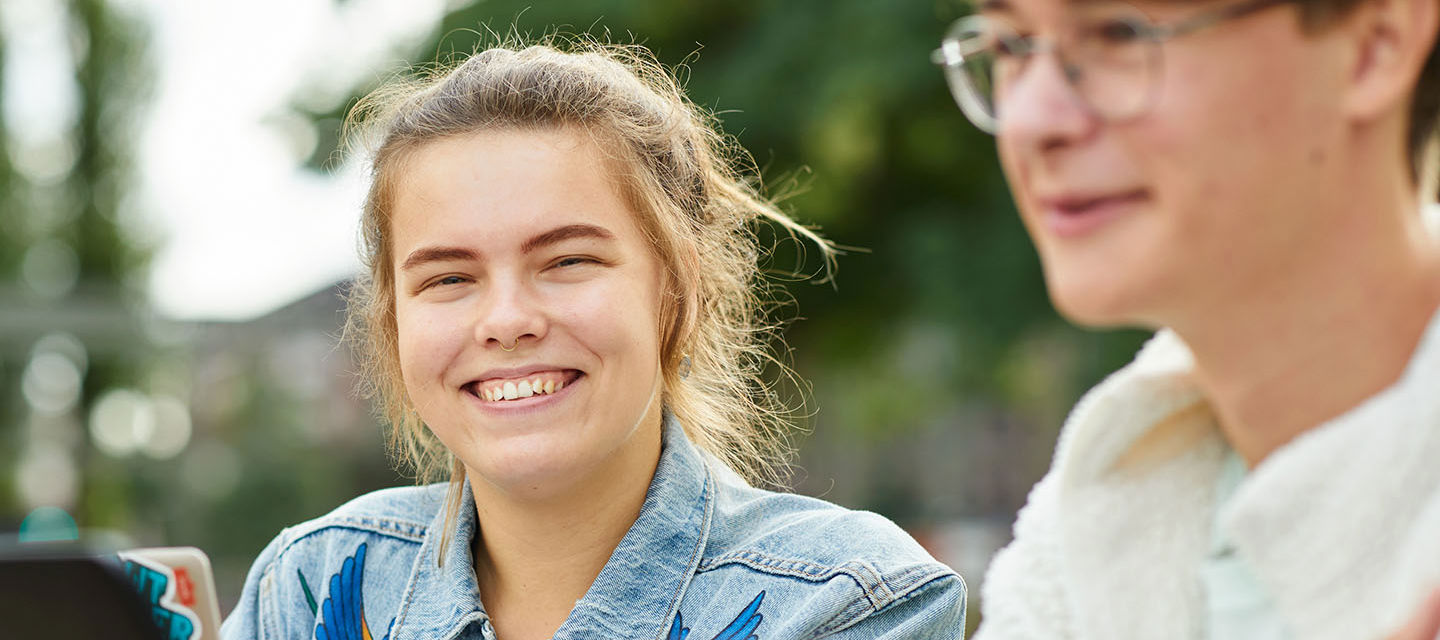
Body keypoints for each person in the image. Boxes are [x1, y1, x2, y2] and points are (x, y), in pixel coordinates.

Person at [222, 41, 965, 640]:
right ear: (392, 321)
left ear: (678, 290)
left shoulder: (852, 602)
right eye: (449, 278)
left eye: (568, 261)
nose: (506, 318)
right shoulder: (315, 590)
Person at [928, 0, 1440, 637]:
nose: (1033, 120)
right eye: (1010, 47)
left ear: (1374, 46)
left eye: (1118, 33)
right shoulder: (1081, 543)